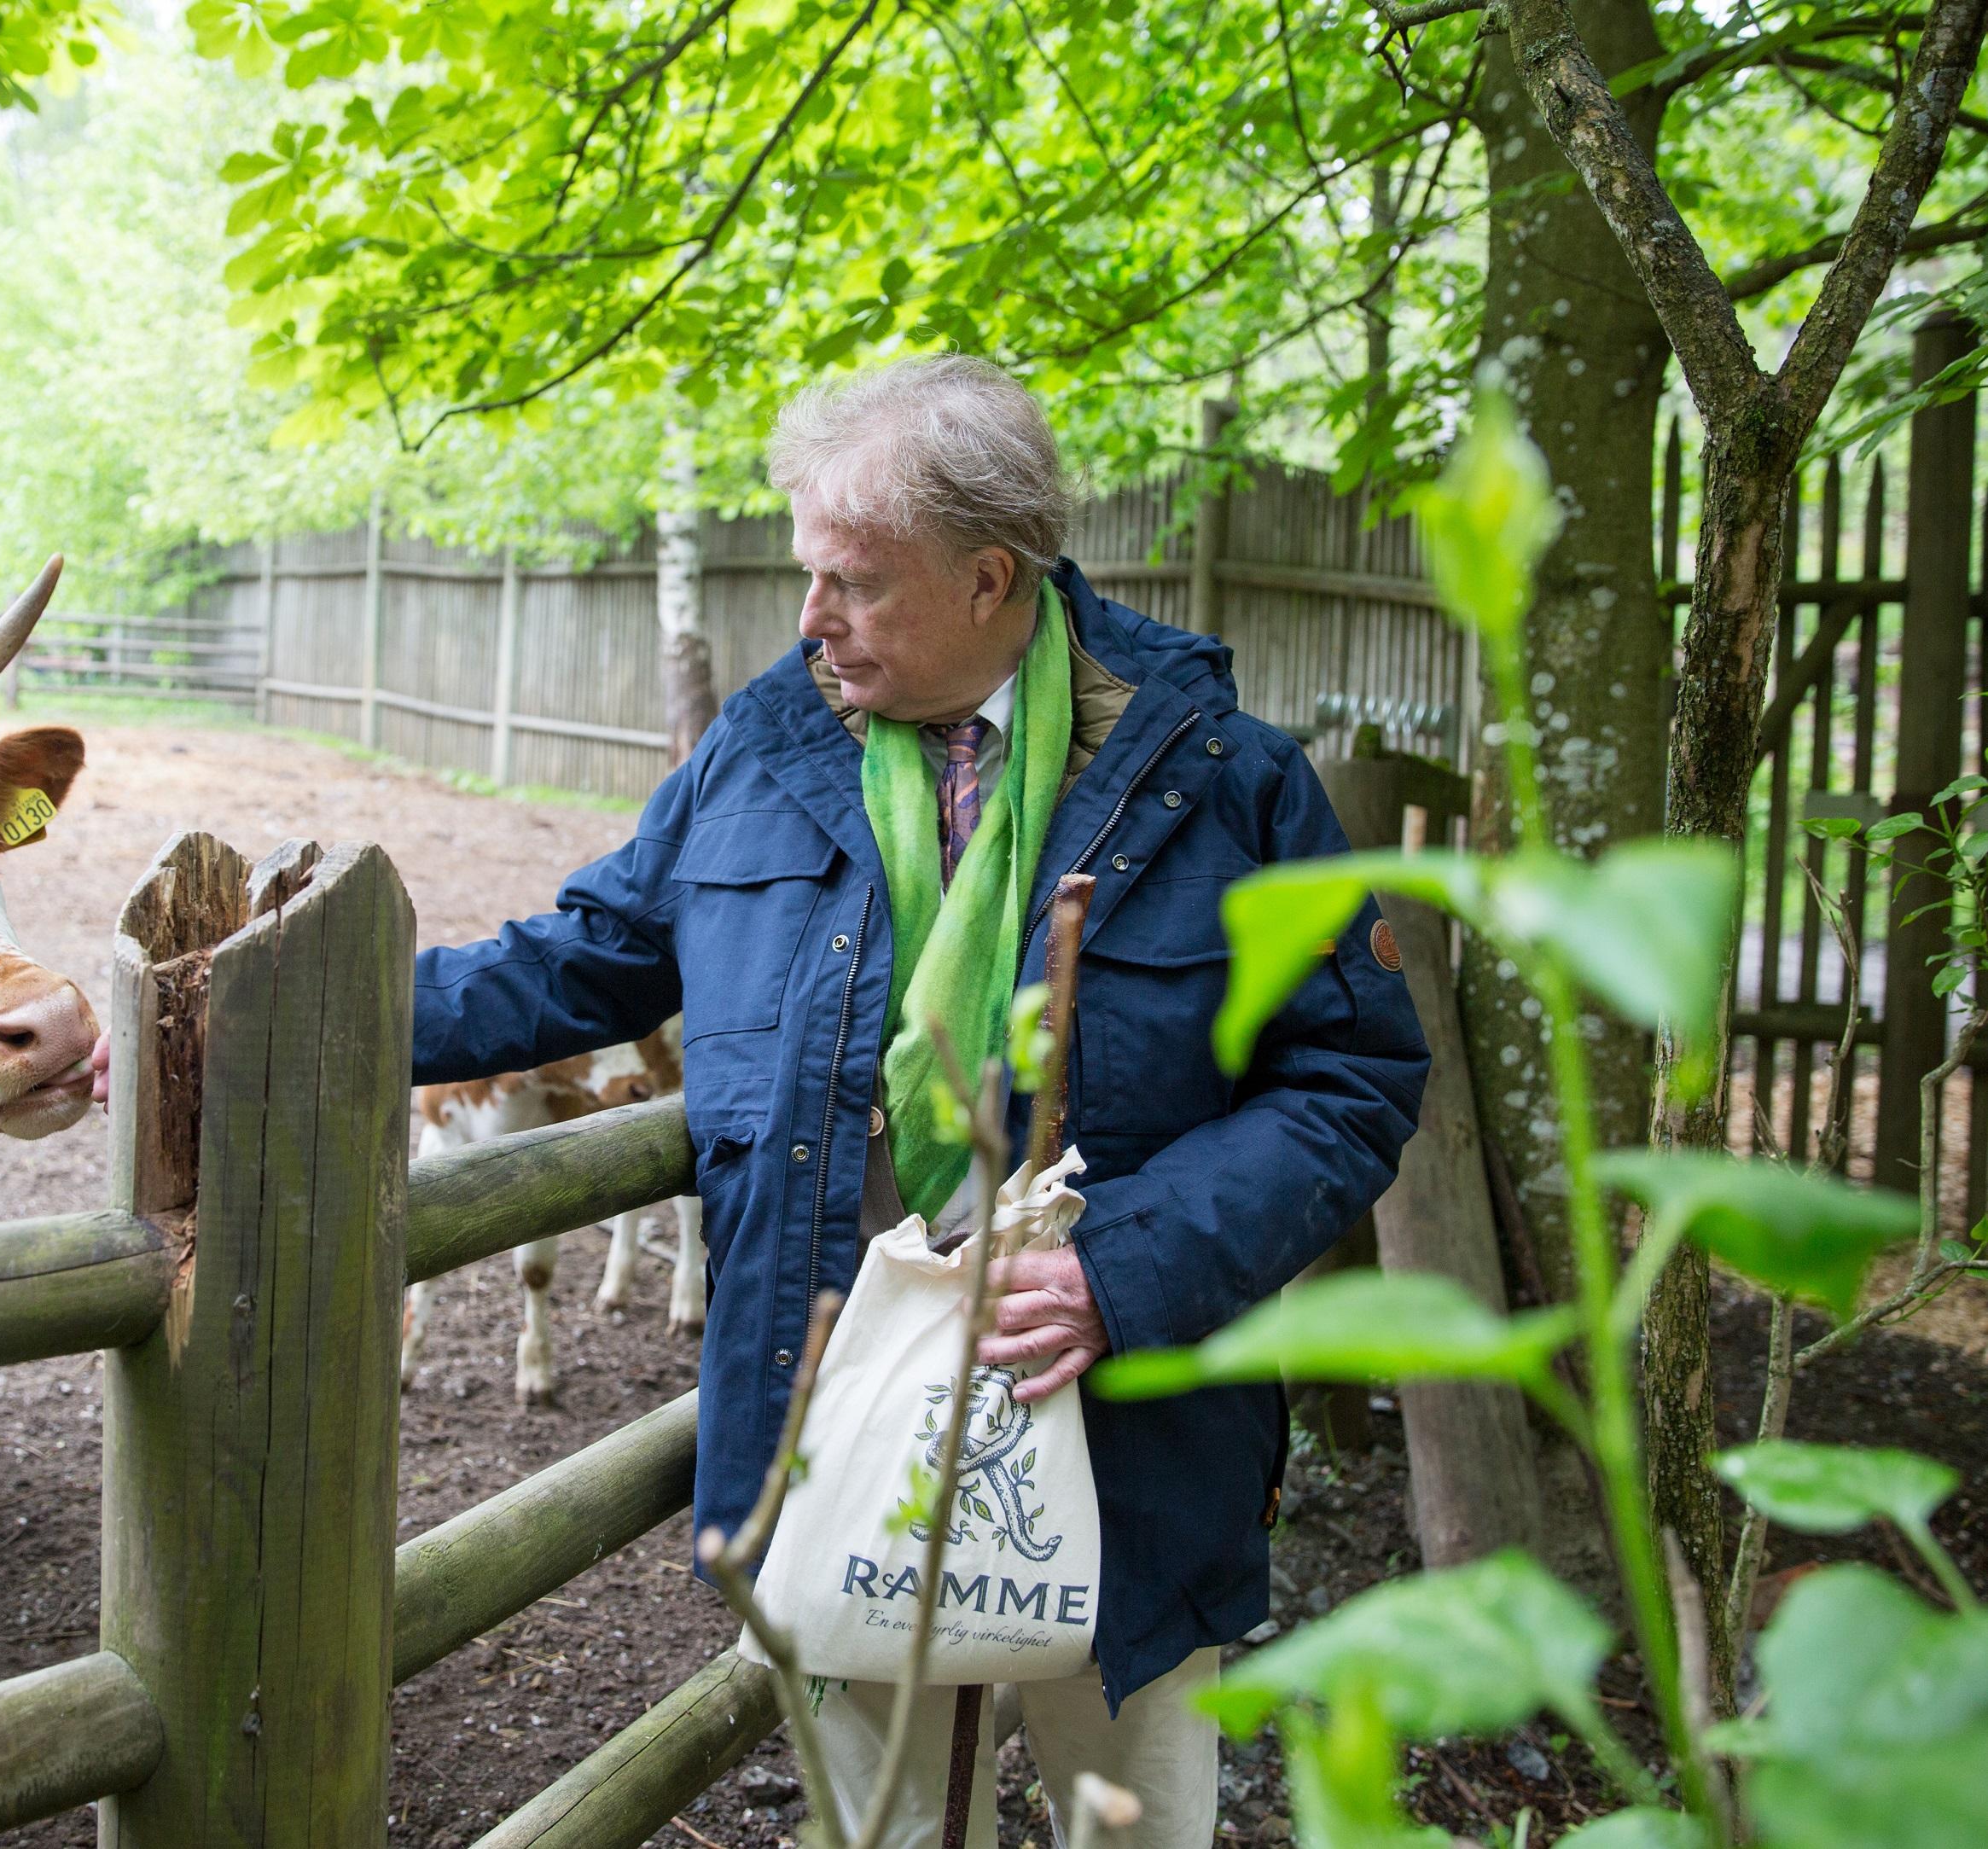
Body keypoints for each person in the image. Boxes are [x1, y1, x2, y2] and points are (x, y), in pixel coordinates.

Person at [412, 356, 1428, 1846]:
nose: (812, 617)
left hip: (1126, 1428)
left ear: (988, 578)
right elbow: (588, 959)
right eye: (810, 575)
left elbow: (1347, 1081)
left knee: (1128, 1822)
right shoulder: (759, 757)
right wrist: (286, 1019)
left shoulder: (1223, 783)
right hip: (838, 1414)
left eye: (855, 583)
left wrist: (1120, 1271)